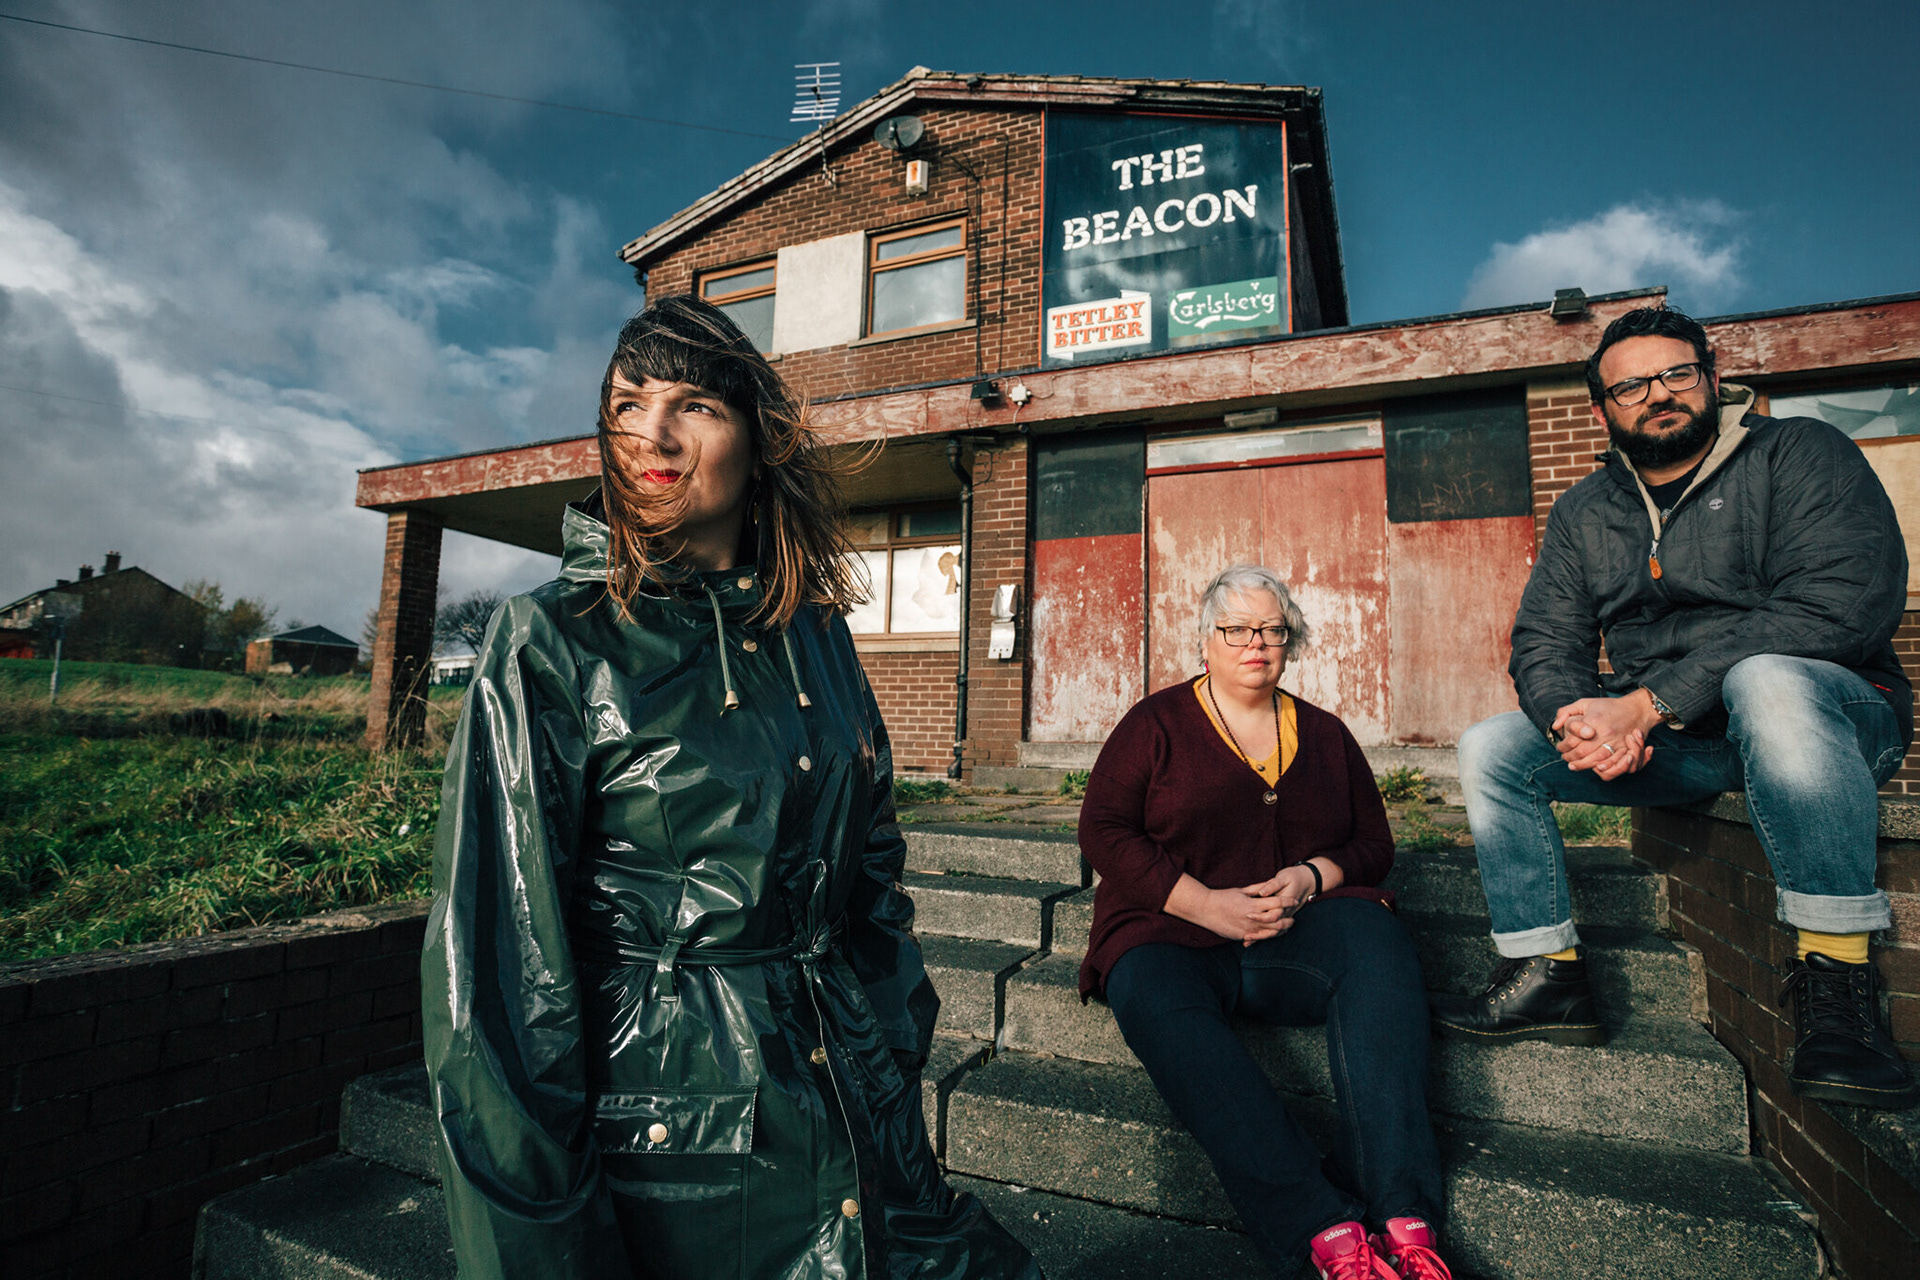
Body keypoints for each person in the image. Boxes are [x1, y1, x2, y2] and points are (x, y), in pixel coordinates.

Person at [420, 296, 1042, 1280]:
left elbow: (869, 855)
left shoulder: (817, 630)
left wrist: (892, 1027)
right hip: (680, 1139)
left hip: (856, 1103)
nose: (652, 434)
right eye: (628, 403)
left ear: (759, 437)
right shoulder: (554, 638)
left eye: (695, 404)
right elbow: (498, 978)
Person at [1436, 306, 1919, 1110]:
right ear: (1602, 410)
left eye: (1675, 374)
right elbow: (1544, 643)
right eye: (1630, 385)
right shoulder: (1585, 511)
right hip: (1686, 746)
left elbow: (1841, 608)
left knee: (1767, 678)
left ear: (1712, 377)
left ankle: (1839, 983)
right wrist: (1579, 721)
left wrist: (1649, 704)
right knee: (1493, 747)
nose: (1657, 395)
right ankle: (1546, 973)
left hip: (1828, 721)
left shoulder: (1800, 453)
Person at [1078, 565, 1453, 1280]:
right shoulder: (1155, 724)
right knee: (1154, 999)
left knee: (1377, 943)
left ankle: (1405, 1217)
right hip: (1169, 935)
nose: (1257, 643)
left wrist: (1313, 876)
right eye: (1238, 629)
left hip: (1289, 939)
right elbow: (1103, 830)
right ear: (1207, 640)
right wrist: (1202, 901)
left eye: (1273, 629)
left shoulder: (1326, 734)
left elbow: (1375, 845)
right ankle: (1325, 1229)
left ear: (1291, 640)